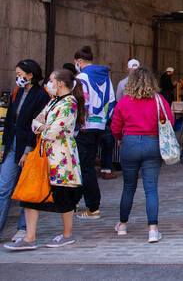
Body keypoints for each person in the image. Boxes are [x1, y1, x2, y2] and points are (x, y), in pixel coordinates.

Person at [4, 68, 85, 250]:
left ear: (60, 83)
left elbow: (54, 130)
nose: (49, 83)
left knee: (62, 195)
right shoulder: (53, 101)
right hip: (44, 156)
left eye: (51, 80)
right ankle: (29, 237)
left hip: (60, 158)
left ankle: (67, 234)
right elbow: (35, 123)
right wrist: (42, 126)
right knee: (31, 194)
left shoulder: (69, 102)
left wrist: (42, 126)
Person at [111, 68, 174, 243]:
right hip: (152, 143)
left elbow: (115, 125)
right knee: (151, 188)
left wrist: (119, 138)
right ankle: (153, 229)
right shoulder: (159, 100)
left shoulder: (124, 102)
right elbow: (170, 121)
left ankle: (122, 224)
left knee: (128, 187)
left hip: (129, 143)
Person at [0, 60, 49, 242]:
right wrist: (4, 147)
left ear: (30, 75)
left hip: (28, 147)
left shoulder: (41, 95)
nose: (18, 78)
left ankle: (23, 228)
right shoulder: (17, 92)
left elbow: (37, 124)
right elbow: (9, 121)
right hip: (12, 145)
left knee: (25, 188)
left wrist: (28, 149)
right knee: (3, 188)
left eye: (20, 74)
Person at [74, 45, 115, 220]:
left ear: (79, 61)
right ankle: (79, 202)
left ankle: (92, 207)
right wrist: (104, 120)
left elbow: (78, 102)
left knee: (85, 167)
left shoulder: (81, 78)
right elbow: (112, 101)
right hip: (99, 126)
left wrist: (77, 124)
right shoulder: (106, 77)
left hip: (84, 126)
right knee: (88, 164)